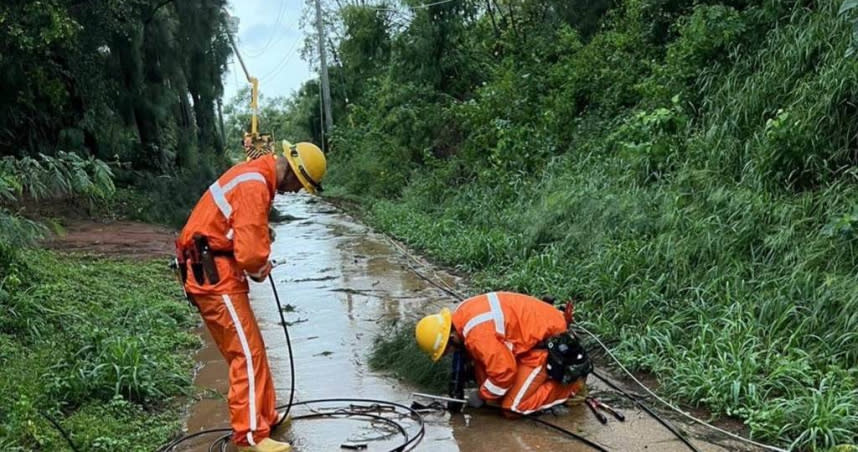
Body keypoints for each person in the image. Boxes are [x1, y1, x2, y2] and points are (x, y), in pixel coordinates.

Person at [175, 141, 326, 452]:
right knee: (246, 354)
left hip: (214, 271)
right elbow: (251, 256)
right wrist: (261, 266)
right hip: (215, 278)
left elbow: (235, 228)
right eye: (301, 186)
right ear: (295, 174)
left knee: (252, 348)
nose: (296, 192)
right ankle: (250, 437)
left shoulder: (256, 176)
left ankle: (265, 416)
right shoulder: (255, 185)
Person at [415, 292, 591, 415]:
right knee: (491, 387)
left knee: (512, 407)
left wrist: (481, 395)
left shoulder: (478, 336)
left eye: (448, 350)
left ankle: (571, 387)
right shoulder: (461, 314)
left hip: (547, 342)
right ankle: (533, 383)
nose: (450, 354)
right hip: (531, 329)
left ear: (451, 337)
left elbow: (504, 374)